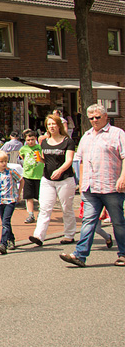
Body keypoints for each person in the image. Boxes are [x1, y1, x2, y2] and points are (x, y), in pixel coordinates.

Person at [59, 104, 125, 268]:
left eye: (97, 117)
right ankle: (80, 255)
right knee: (88, 221)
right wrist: (81, 182)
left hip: (111, 186)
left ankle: (123, 254)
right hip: (90, 187)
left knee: (118, 222)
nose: (94, 121)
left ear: (105, 117)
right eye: (91, 118)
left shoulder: (117, 134)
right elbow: (80, 161)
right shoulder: (86, 136)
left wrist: (123, 178)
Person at [29, 115, 76, 246]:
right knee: (44, 207)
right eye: (49, 124)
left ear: (59, 126)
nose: (51, 126)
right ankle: (38, 235)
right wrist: (39, 159)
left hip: (65, 180)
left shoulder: (68, 141)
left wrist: (60, 170)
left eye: (54, 124)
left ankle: (69, 234)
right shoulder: (44, 142)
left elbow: (69, 160)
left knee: (66, 207)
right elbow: (45, 160)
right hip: (47, 179)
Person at [0, 150, 22, 254]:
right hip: (0, 200)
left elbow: (21, 180)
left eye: (5, 161)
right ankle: (11, 239)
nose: (4, 164)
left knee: (5, 222)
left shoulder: (11, 172)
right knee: (5, 222)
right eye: (1, 162)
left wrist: (19, 194)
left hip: (10, 200)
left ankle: (3, 243)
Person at [18, 129, 44, 224]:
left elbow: (43, 159)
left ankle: (42, 213)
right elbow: (22, 156)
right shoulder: (23, 149)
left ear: (35, 139)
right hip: (28, 175)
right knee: (29, 196)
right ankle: (30, 214)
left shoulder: (40, 147)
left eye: (32, 139)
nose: (30, 142)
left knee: (40, 196)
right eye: (28, 140)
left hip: (39, 175)